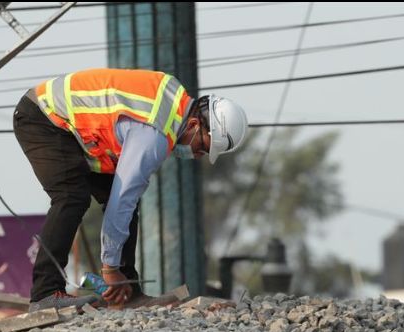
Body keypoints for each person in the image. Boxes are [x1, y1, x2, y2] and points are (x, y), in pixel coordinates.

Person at [13, 68, 248, 312]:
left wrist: (115, 270)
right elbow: (121, 201)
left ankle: (129, 293)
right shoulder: (153, 137)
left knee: (122, 200)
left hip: (77, 131)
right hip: (44, 117)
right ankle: (45, 294)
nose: (197, 155)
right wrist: (109, 268)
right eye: (202, 146)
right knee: (72, 197)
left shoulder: (175, 96)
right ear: (194, 123)